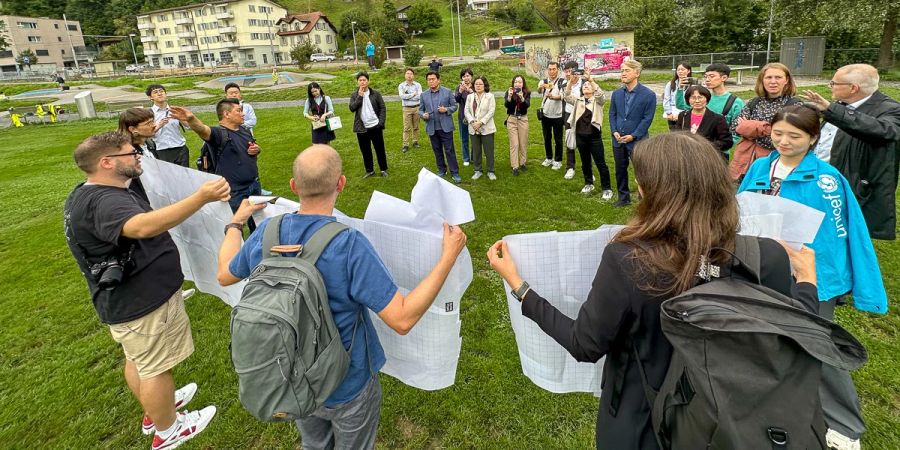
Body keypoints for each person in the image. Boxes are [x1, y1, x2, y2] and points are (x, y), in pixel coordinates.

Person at [487, 132, 820, 450]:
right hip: (737, 418)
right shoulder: (767, 256)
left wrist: (521, 287)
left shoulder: (628, 258)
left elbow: (584, 344)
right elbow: (791, 337)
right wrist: (807, 284)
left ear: (652, 191)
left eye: (640, 179)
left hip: (644, 420)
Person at [217, 144, 468, 450]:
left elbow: (225, 275)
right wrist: (448, 257)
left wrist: (236, 223)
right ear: (341, 184)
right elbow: (402, 319)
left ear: (294, 186)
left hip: (294, 377)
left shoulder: (269, 230)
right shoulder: (349, 244)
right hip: (347, 382)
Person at [737, 105, 888, 450]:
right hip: (766, 270)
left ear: (813, 138)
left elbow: (837, 235)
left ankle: (845, 425)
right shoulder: (761, 166)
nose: (784, 142)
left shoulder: (826, 178)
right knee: (771, 339)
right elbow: (741, 209)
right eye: (777, 134)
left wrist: (821, 278)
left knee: (817, 344)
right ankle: (783, 402)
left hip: (811, 277)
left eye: (795, 136)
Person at [64, 132, 225, 450]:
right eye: (129, 153)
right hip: (141, 303)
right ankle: (168, 430)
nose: (137, 156)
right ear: (106, 163)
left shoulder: (98, 191)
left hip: (133, 300)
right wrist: (201, 197)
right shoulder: (105, 201)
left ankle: (156, 411)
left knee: (138, 360)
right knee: (155, 367)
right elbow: (142, 226)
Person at [802, 63, 900, 240]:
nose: (829, 86)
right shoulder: (841, 105)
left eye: (834, 83)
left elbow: (883, 130)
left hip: (853, 189)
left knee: (844, 238)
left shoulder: (891, 109)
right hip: (819, 179)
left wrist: (832, 110)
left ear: (853, 88)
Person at [167, 99, 262, 230]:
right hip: (233, 192)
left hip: (254, 186)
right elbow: (202, 129)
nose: (243, 114)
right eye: (239, 111)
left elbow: (250, 150)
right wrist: (191, 119)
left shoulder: (244, 130)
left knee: (258, 225)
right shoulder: (218, 134)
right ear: (226, 114)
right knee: (234, 227)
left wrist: (257, 150)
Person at [729, 62, 800, 181]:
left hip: (776, 164)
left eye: (778, 77)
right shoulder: (754, 102)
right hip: (747, 164)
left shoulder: (794, 105)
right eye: (768, 77)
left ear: (786, 80)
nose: (773, 81)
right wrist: (769, 129)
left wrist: (750, 128)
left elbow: (786, 139)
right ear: (762, 80)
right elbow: (735, 128)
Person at [608, 60, 656, 207]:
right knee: (620, 169)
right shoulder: (616, 94)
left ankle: (644, 199)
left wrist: (634, 135)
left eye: (627, 70)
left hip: (637, 141)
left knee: (642, 172)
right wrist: (614, 131)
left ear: (637, 73)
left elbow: (647, 119)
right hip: (618, 140)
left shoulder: (648, 95)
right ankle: (624, 198)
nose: (623, 73)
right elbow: (612, 114)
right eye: (622, 70)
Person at [565, 74, 612, 198]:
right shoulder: (578, 100)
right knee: (585, 162)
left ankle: (607, 188)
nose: (586, 86)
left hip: (594, 137)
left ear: (593, 89)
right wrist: (570, 82)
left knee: (600, 163)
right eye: (584, 85)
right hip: (580, 137)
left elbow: (601, 95)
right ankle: (588, 183)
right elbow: (566, 96)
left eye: (588, 85)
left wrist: (591, 80)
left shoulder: (598, 101)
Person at [420, 70, 462, 183]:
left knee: (449, 150)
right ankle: (442, 169)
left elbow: (454, 106)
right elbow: (420, 110)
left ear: (438, 80)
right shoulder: (423, 95)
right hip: (432, 127)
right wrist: (423, 115)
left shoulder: (447, 92)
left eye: (433, 79)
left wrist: (446, 109)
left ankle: (455, 172)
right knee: (437, 150)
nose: (431, 81)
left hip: (446, 127)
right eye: (429, 80)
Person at [349, 72, 388, 178]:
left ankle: (383, 169)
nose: (362, 82)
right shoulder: (354, 95)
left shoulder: (375, 93)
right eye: (360, 80)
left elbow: (382, 108)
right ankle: (369, 170)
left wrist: (381, 123)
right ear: (357, 82)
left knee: (379, 149)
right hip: (362, 128)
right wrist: (360, 97)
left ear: (368, 81)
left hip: (375, 126)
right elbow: (352, 108)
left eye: (364, 80)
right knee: (365, 150)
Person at [675, 85, 732, 158]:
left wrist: (706, 146)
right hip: (686, 157)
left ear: (707, 99)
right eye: (693, 98)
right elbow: (676, 135)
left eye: (700, 97)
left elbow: (727, 141)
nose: (697, 101)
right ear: (688, 100)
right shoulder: (683, 116)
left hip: (708, 158)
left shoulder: (718, 119)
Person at [146, 84, 190, 167]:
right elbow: (146, 134)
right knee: (167, 178)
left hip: (180, 149)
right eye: (155, 92)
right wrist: (158, 126)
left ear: (166, 94)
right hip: (162, 150)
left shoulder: (174, 110)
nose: (159, 94)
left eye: (161, 91)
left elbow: (189, 127)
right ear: (150, 97)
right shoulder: (149, 113)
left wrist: (181, 118)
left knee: (184, 177)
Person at [704, 63, 745, 148]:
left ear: (724, 78)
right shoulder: (703, 98)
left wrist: (723, 146)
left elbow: (737, 132)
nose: (707, 79)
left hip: (720, 150)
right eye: (706, 76)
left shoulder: (736, 102)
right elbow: (683, 107)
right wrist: (681, 88)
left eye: (712, 76)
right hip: (700, 146)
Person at [465, 76, 497, 181]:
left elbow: (491, 111)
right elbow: (467, 111)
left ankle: (490, 171)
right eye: (476, 84)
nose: (478, 86)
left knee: (489, 151)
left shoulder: (490, 96)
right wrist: (473, 122)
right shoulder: (470, 97)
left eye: (480, 84)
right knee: (476, 151)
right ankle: (477, 170)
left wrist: (481, 122)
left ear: (485, 85)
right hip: (473, 128)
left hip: (486, 128)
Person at [538, 62, 566, 170]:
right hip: (545, 114)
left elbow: (563, 96)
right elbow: (538, 91)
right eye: (550, 69)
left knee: (558, 139)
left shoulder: (562, 82)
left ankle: (558, 160)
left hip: (558, 115)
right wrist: (541, 88)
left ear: (557, 70)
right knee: (547, 137)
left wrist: (554, 97)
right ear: (547, 70)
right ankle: (549, 157)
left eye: (554, 69)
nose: (552, 71)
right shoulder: (543, 81)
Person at [504, 75, 531, 176]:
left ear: (523, 83)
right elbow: (507, 106)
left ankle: (522, 163)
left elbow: (527, 105)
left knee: (523, 143)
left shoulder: (527, 92)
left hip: (523, 119)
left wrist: (522, 98)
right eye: (516, 82)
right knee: (514, 144)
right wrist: (510, 97)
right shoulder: (509, 91)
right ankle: (515, 166)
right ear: (513, 83)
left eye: (520, 82)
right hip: (512, 119)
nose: (517, 84)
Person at [562, 61, 583, 180]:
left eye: (570, 71)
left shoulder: (584, 83)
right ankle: (570, 167)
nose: (568, 74)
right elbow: (565, 97)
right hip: (569, 115)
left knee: (584, 141)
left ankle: (587, 167)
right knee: (569, 140)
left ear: (576, 72)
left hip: (582, 115)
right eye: (566, 71)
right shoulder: (564, 83)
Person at [662, 62, 692, 130]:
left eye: (683, 69)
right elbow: (666, 99)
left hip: (688, 113)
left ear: (688, 71)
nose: (680, 71)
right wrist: (669, 113)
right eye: (678, 70)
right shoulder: (671, 84)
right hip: (673, 112)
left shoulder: (693, 84)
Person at [398, 68, 422, 152]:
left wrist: (408, 96)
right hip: (406, 109)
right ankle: (405, 144)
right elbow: (402, 96)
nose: (409, 75)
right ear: (405, 75)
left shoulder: (418, 85)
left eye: (411, 73)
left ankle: (415, 142)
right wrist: (413, 94)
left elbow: (420, 96)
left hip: (416, 108)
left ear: (413, 75)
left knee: (416, 126)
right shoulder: (401, 85)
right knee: (406, 127)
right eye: (407, 73)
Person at [455, 68, 475, 166]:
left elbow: (478, 99)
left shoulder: (476, 86)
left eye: (468, 75)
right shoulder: (459, 87)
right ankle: (466, 158)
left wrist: (470, 91)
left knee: (474, 137)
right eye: (464, 76)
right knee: (464, 138)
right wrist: (460, 91)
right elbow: (456, 100)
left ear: (471, 76)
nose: (466, 78)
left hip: (474, 116)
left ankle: (474, 157)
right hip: (463, 116)